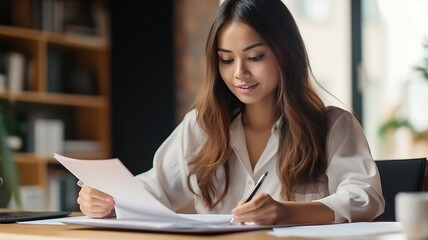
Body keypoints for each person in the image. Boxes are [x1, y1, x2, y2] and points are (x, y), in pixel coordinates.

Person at [77, 0, 385, 225]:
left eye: (254, 57)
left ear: (285, 53)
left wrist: (287, 212)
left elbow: (365, 197)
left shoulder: (333, 126)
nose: (240, 73)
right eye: (226, 60)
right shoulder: (201, 127)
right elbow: (151, 190)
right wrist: (106, 200)